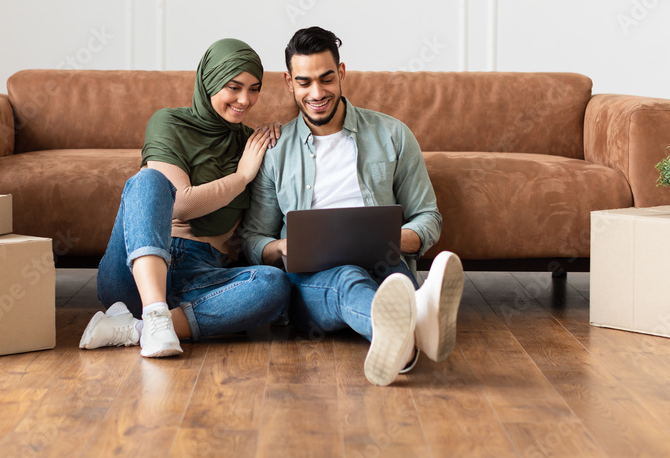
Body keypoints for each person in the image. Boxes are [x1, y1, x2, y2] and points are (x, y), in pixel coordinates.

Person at [240, 27, 464, 386]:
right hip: (313, 284)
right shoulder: (276, 151)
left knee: (387, 281)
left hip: (387, 267)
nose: (317, 93)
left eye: (326, 79)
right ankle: (420, 318)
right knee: (347, 278)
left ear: (341, 73)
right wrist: (281, 247)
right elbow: (252, 238)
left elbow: (428, 218)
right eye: (304, 82)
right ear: (288, 82)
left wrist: (390, 239)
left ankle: (403, 345)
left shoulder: (392, 135)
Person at [81, 38, 291, 357]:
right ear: (209, 81)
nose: (245, 99)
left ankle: (141, 328)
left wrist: (282, 136)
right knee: (148, 179)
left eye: (254, 88)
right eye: (233, 87)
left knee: (273, 285)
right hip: (135, 274)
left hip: (203, 275)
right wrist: (242, 177)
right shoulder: (168, 122)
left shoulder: (253, 144)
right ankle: (153, 311)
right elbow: (181, 203)